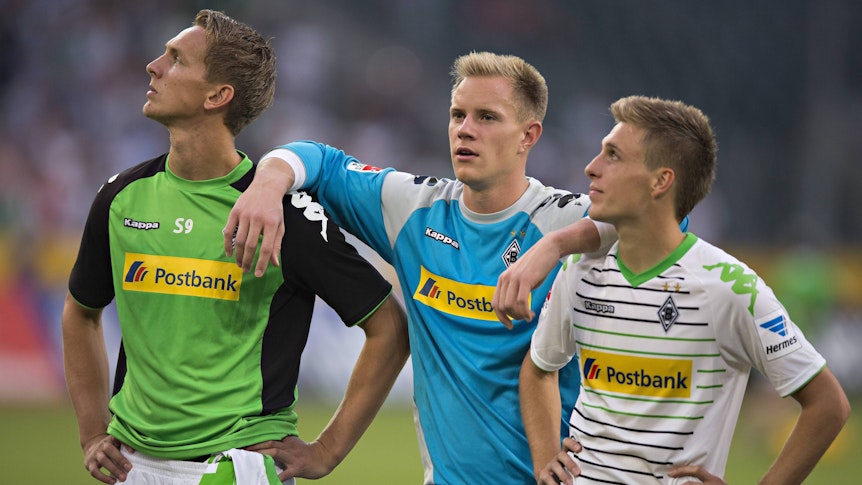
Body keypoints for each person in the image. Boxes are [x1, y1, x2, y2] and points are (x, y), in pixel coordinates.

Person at [222, 52, 613, 483]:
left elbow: (662, 220)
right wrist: (266, 184)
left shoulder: (561, 218)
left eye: (487, 117)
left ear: (528, 135)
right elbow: (317, 159)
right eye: (457, 114)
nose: (466, 129)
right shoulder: (414, 210)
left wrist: (554, 247)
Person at [62, 10, 409, 485]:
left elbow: (388, 326)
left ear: (217, 96)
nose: (152, 66)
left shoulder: (284, 214)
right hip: (131, 465)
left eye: (175, 59)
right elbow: (81, 311)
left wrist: (327, 450)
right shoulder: (121, 196)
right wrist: (90, 433)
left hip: (234, 464)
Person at [522, 95, 850, 484]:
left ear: (660, 181)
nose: (591, 168)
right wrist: (545, 459)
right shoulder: (580, 268)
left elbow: (828, 404)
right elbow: (539, 367)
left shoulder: (729, 287)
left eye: (613, 156)